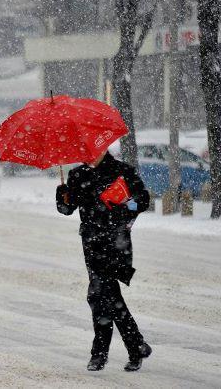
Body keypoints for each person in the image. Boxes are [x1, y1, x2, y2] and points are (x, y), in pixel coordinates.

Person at [56, 149, 153, 372]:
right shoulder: (77, 175)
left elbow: (143, 201)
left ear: (102, 148)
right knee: (104, 294)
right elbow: (67, 209)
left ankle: (102, 353)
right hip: (91, 243)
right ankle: (135, 346)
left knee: (99, 294)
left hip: (116, 240)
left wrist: (123, 203)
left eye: (91, 151)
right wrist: (62, 195)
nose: (86, 156)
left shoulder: (122, 171)